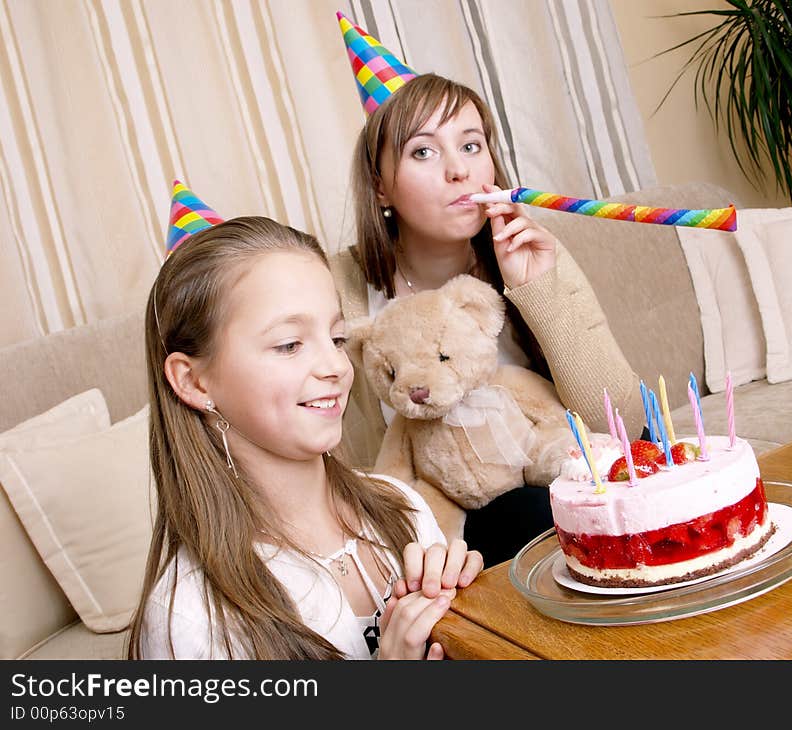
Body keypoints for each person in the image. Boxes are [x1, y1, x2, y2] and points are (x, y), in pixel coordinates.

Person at [329, 14, 644, 566]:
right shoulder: (341, 288)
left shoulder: (534, 253)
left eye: (472, 146)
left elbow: (621, 425)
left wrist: (537, 292)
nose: (459, 171)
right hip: (431, 535)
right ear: (380, 185)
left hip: (556, 500)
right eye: (423, 152)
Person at [127, 187, 482, 660]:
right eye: (290, 344)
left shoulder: (403, 509)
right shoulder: (191, 616)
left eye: (336, 337)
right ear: (193, 381)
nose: (335, 366)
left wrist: (476, 623)